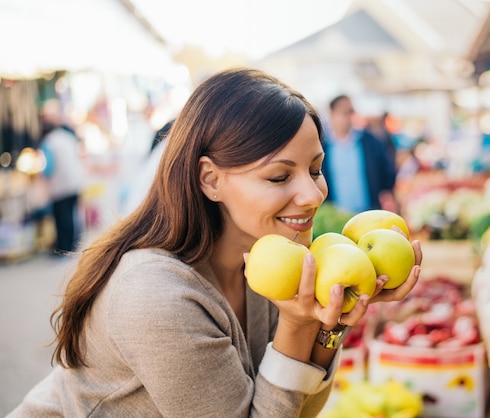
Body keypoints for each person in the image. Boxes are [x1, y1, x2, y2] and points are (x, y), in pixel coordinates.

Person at [9, 68, 422, 418]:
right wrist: (299, 324)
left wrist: (329, 321)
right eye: (279, 176)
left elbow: (295, 407)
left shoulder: (263, 260)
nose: (314, 194)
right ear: (210, 179)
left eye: (315, 169)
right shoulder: (157, 296)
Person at [322, 95, 398, 214]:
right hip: (336, 215)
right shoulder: (323, 147)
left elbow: (386, 170)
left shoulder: (369, 142)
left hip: (368, 212)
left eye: (350, 112)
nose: (348, 117)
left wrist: (387, 193)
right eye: (343, 112)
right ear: (332, 114)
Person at [38, 99, 85, 255]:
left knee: (62, 218)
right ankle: (71, 246)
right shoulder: (67, 136)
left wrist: (41, 176)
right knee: (71, 216)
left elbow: (48, 168)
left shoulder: (49, 141)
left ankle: (64, 249)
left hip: (61, 185)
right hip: (75, 182)